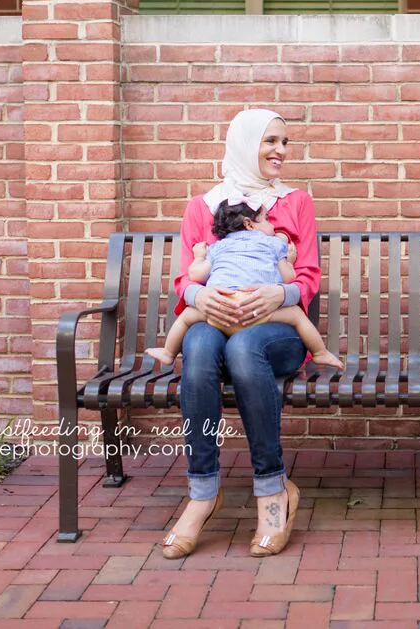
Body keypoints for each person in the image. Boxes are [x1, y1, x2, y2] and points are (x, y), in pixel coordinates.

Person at [160, 108, 320, 560]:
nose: (280, 151)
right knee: (196, 344)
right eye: (270, 141)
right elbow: (185, 279)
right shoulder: (205, 207)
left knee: (248, 346)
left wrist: (279, 293)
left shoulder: (295, 203)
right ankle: (203, 492)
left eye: (284, 142)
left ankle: (273, 492)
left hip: (278, 334)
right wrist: (197, 297)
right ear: (244, 144)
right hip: (216, 325)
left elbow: (308, 276)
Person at [144, 200, 343, 370]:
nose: (272, 225)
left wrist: (198, 256)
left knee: (187, 316)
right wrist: (289, 260)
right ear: (249, 224)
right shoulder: (274, 243)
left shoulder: (218, 247)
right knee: (297, 316)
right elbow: (289, 277)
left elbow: (195, 274)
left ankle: (169, 353)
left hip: (221, 308)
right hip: (257, 309)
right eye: (266, 219)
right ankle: (320, 352)